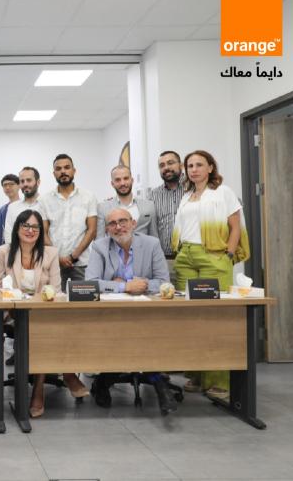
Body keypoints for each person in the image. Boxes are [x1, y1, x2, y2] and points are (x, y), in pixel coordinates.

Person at [172, 150, 250, 401]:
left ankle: (219, 380)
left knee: (215, 317)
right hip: (186, 257)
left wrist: (228, 255)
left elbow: (235, 227)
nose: (194, 169)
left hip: (213, 256)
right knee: (189, 319)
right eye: (190, 165)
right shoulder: (186, 196)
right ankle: (197, 375)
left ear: (210, 167)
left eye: (199, 165)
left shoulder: (223, 192)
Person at [0, 210, 87, 417]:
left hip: (43, 312)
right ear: (17, 229)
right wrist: (16, 298)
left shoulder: (50, 253)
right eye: (26, 225)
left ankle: (39, 386)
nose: (30, 230)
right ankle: (67, 374)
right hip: (14, 311)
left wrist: (41, 300)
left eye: (35, 227)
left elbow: (57, 290)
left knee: (45, 326)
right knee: (42, 327)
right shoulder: (4, 251)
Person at [85, 208, 177, 413]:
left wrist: (143, 284)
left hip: (145, 312)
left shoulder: (151, 244)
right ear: (107, 229)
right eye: (112, 223)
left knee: (149, 332)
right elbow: (90, 283)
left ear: (133, 223)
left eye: (123, 221)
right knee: (115, 333)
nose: (118, 227)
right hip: (110, 315)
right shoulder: (100, 247)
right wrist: (124, 286)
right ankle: (105, 380)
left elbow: (164, 282)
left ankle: (157, 382)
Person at [42, 154, 97, 288]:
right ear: (54, 173)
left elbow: (92, 230)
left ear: (74, 170)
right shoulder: (45, 200)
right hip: (55, 263)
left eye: (67, 167)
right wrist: (57, 257)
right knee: (53, 297)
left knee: (85, 299)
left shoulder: (88, 197)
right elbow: (43, 232)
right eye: (58, 169)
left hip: (82, 263)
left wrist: (73, 256)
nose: (63, 171)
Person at [147, 150, 187, 282]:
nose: (166, 168)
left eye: (170, 163)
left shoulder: (193, 188)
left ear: (181, 165)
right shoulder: (153, 195)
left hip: (192, 258)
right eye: (162, 165)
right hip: (165, 260)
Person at [96, 165, 158, 239]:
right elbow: (99, 239)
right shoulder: (103, 208)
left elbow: (154, 236)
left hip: (144, 246)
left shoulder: (149, 205)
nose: (122, 183)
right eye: (118, 180)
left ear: (132, 180)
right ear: (112, 184)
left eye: (126, 178)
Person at [3, 166, 49, 245]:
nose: (25, 184)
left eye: (29, 180)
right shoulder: (12, 207)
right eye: (22, 181)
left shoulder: (47, 205)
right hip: (17, 252)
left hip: (44, 251)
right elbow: (8, 237)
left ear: (38, 182)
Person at [0, 174, 20, 257]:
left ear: (19, 186)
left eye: (11, 184)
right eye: (5, 185)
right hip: (7, 253)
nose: (7, 187)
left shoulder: (26, 207)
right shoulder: (1, 211)